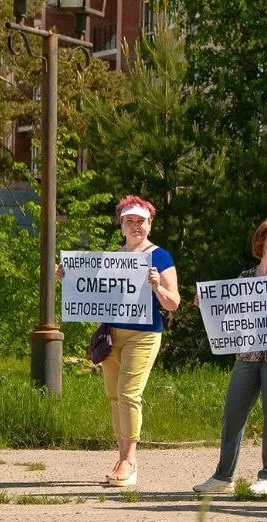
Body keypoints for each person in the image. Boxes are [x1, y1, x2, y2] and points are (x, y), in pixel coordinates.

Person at [192, 219, 267, 497]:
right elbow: (227, 315)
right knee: (233, 414)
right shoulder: (245, 278)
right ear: (261, 243)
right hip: (247, 355)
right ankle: (223, 476)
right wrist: (206, 304)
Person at [89, 195, 180, 488]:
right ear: (121, 225)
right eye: (129, 220)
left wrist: (156, 286)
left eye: (141, 221)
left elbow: (174, 303)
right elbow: (94, 296)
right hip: (112, 335)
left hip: (144, 335)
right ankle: (124, 458)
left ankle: (129, 461)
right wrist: (68, 277)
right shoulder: (112, 258)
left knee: (129, 393)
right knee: (114, 396)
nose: (135, 226)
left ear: (150, 225)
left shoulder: (160, 257)